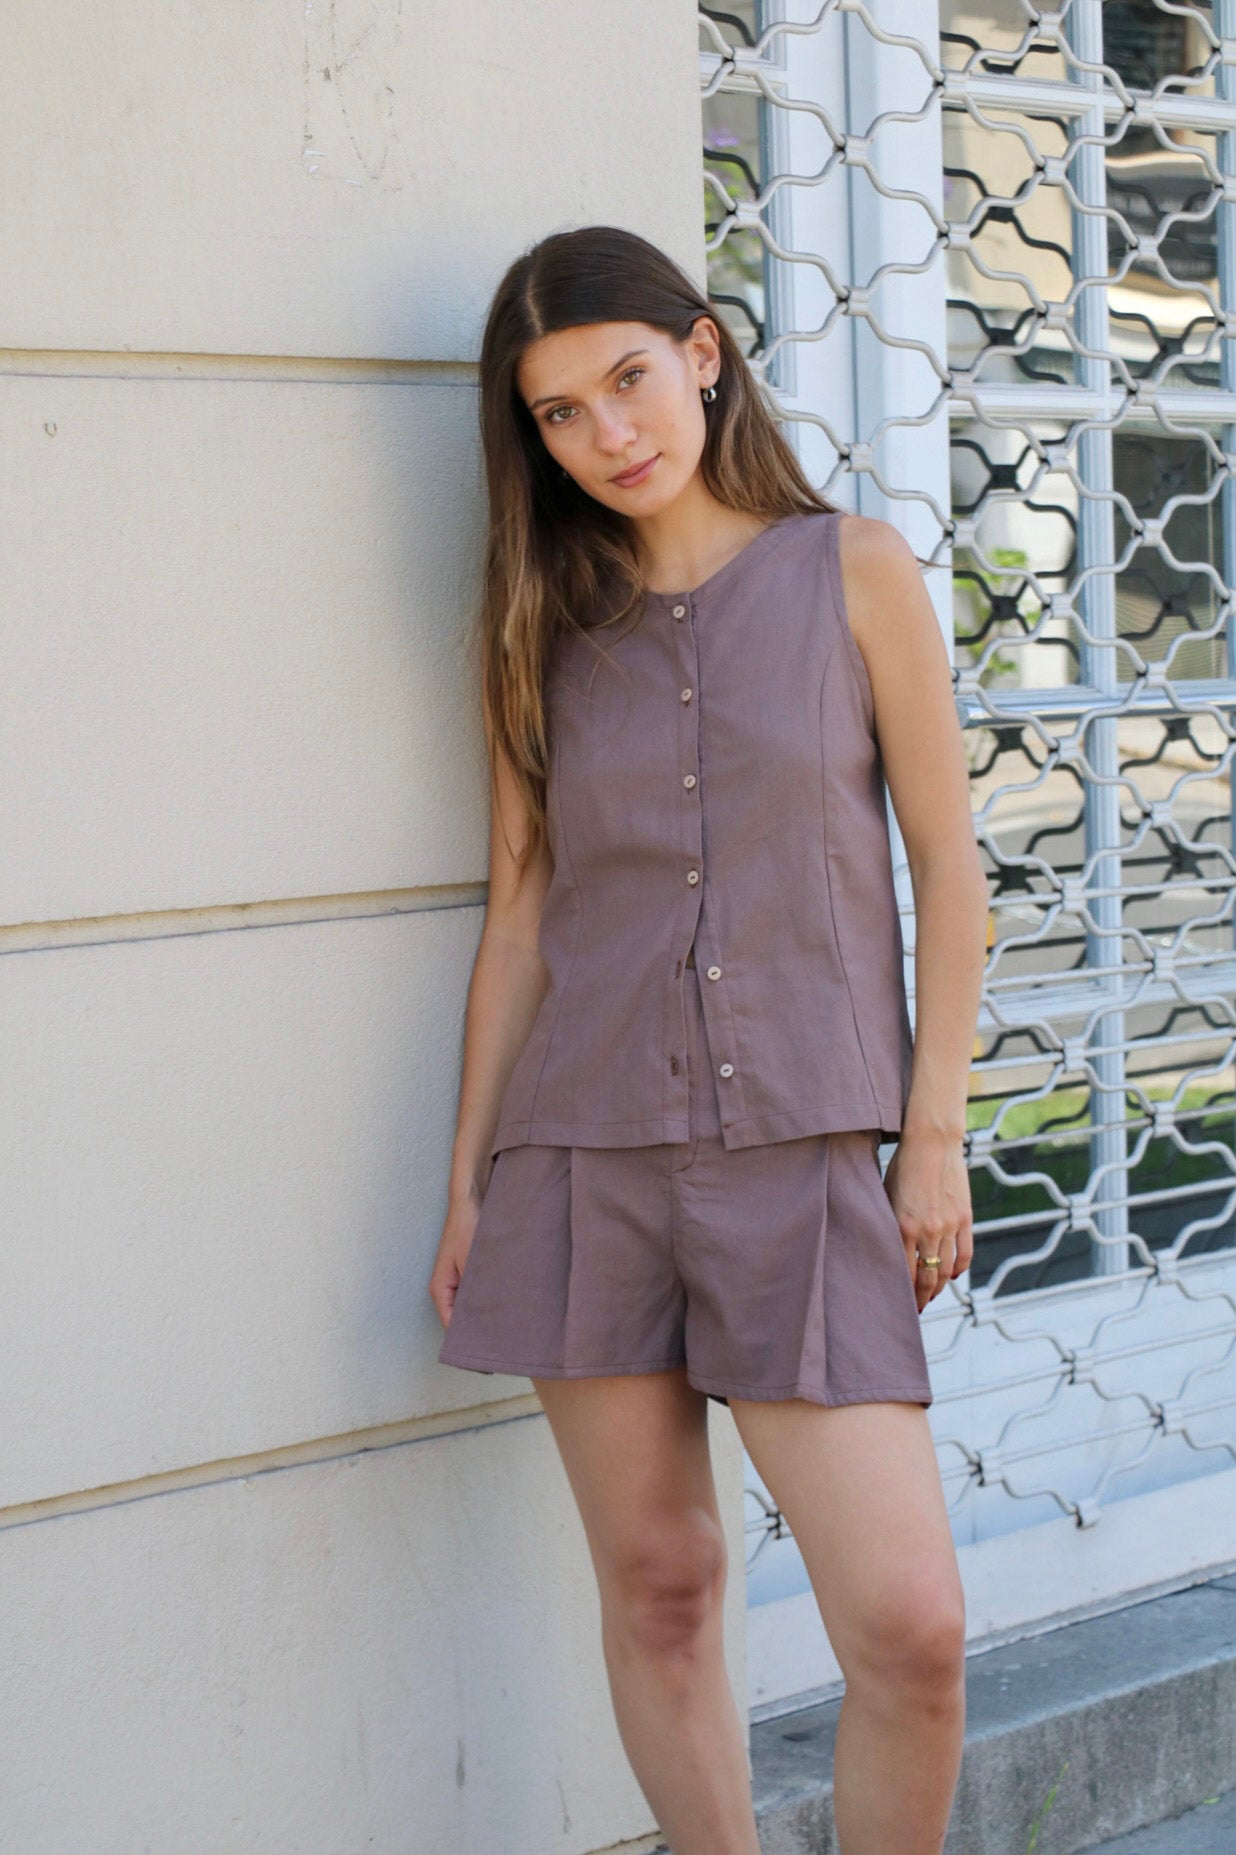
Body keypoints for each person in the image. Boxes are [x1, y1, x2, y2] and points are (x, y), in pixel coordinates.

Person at [428, 224, 987, 1855]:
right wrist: (469, 1183)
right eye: (559, 413)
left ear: (703, 352)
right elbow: (520, 913)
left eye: (628, 379)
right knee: (663, 1584)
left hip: (800, 1157)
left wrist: (933, 1135)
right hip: (582, 1158)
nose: (609, 433)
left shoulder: (851, 571)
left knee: (913, 1633)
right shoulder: (539, 622)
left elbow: (952, 863)